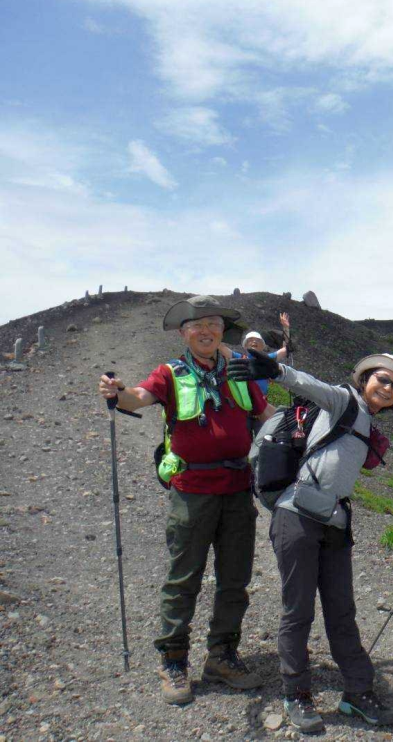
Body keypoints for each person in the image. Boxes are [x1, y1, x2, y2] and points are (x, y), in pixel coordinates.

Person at [97, 295, 277, 706]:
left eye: (212, 323)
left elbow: (267, 415)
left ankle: (222, 655)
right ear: (184, 333)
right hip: (192, 492)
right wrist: (116, 391)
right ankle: (174, 658)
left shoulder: (239, 373)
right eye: (197, 325)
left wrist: (308, 421)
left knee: (235, 579)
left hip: (237, 488)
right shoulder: (169, 373)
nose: (206, 330)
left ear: (221, 331)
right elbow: (137, 398)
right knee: (184, 579)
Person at [227, 350, 393, 733]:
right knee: (298, 611)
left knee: (342, 611)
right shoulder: (344, 399)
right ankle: (296, 693)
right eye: (382, 379)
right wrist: (277, 370)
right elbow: (309, 385)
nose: (388, 387)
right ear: (365, 378)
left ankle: (357, 692)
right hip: (297, 515)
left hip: (333, 519)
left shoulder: (365, 420)